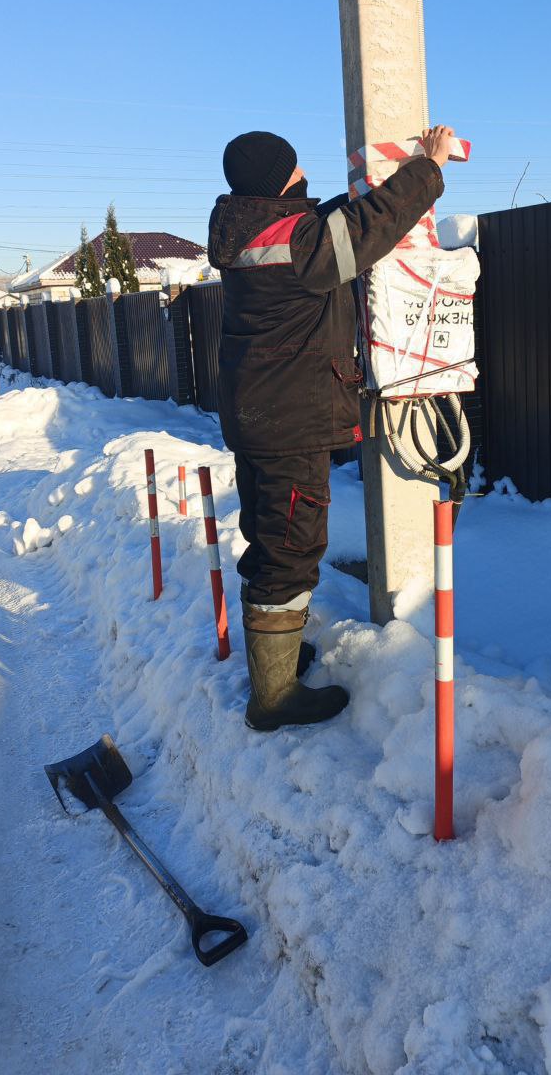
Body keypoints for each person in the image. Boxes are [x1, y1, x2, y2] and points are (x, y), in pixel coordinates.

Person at [208, 124, 454, 731]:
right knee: (290, 549)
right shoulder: (298, 244)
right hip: (290, 420)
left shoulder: (249, 231)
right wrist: (427, 166)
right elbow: (370, 227)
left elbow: (329, 225)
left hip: (259, 415)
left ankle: (280, 658)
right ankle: (273, 698)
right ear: (279, 180)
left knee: (270, 541)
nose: (302, 174)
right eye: (293, 168)